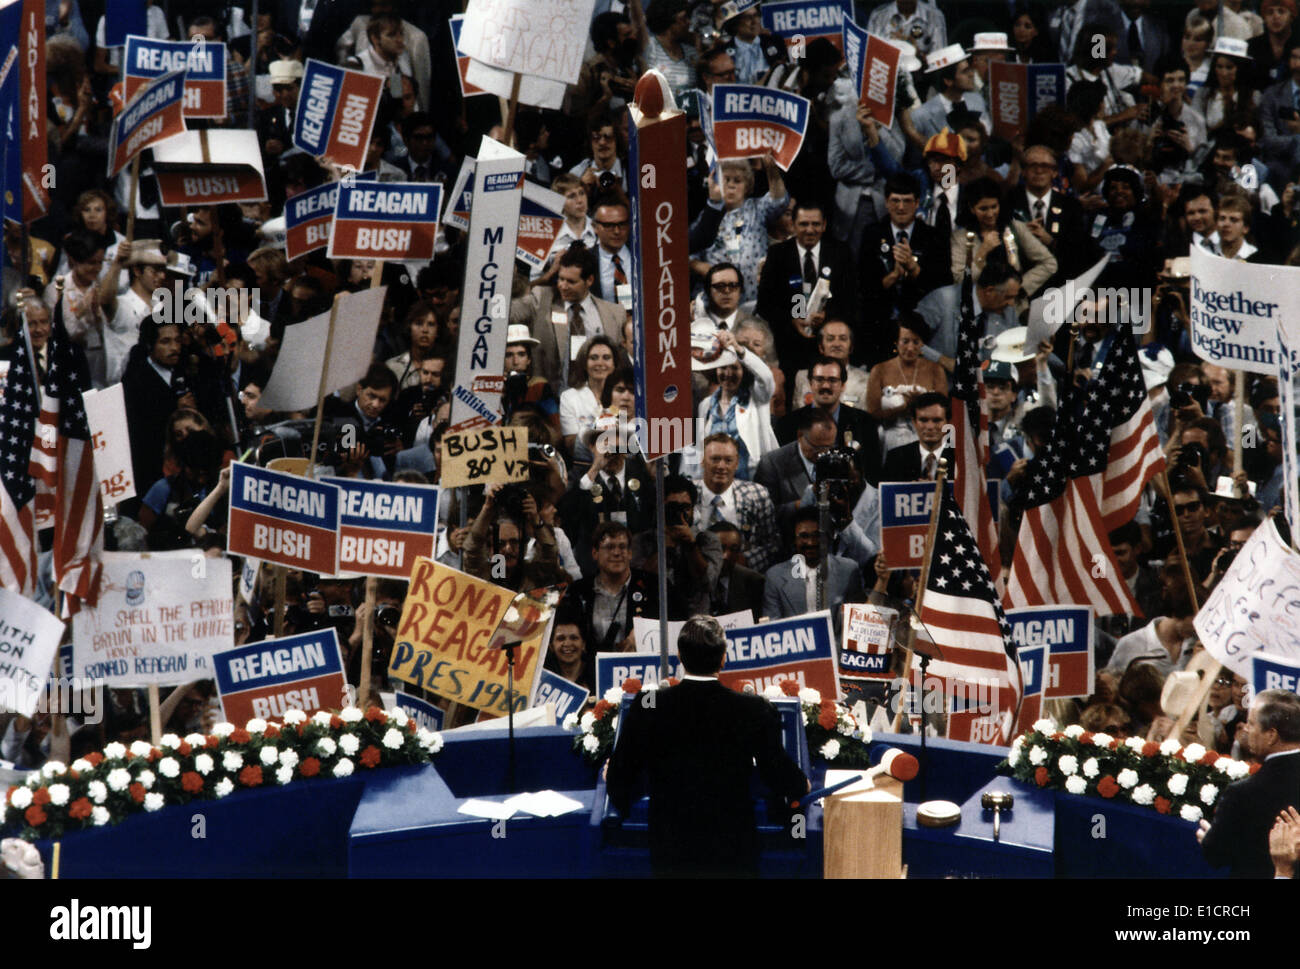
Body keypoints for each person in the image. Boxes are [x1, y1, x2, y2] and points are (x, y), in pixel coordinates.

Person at [605, 615, 810, 878]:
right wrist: (801, 785)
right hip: (732, 849)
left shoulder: (649, 703)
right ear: (724, 657)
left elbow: (620, 779)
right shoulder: (752, 708)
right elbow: (777, 772)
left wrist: (612, 775)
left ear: (679, 656)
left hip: (671, 848)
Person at [1198, 689, 1300, 877]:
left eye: (1251, 723)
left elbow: (1216, 855)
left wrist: (1208, 839)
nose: (1245, 729)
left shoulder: (1243, 793)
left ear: (1271, 735)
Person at [757, 199, 860, 383]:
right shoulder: (778, 254)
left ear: (824, 225)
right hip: (790, 344)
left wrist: (828, 317)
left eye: (815, 224)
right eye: (804, 224)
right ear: (793, 224)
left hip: (828, 343)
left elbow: (851, 299)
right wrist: (791, 320)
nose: (810, 230)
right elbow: (764, 304)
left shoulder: (840, 253)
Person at [762, 507, 866, 639]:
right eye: (804, 536)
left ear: (829, 536)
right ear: (794, 539)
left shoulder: (849, 570)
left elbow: (856, 625)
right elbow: (773, 630)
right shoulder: (775, 577)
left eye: (818, 535)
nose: (811, 543)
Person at [695, 328, 778, 481]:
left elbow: (766, 377)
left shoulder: (757, 398)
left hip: (752, 480)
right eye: (723, 367)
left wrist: (739, 349)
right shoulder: (705, 406)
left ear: (744, 371)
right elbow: (700, 451)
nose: (728, 373)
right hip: (716, 481)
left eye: (734, 368)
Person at [865, 315, 949, 453]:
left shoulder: (936, 370)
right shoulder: (880, 370)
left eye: (916, 342)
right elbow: (872, 415)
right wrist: (904, 408)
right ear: (896, 342)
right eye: (905, 341)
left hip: (927, 441)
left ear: (922, 343)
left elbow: (945, 413)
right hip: (889, 440)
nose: (910, 348)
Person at [560, 334, 624, 455]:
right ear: (584, 363)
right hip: (585, 466)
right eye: (593, 358)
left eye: (606, 357)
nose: (600, 363)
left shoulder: (625, 396)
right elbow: (570, 444)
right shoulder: (569, 397)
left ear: (614, 364)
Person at [881, 392, 956, 481]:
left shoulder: (960, 459)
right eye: (923, 420)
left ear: (949, 423)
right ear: (914, 422)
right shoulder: (895, 458)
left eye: (937, 420)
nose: (930, 427)